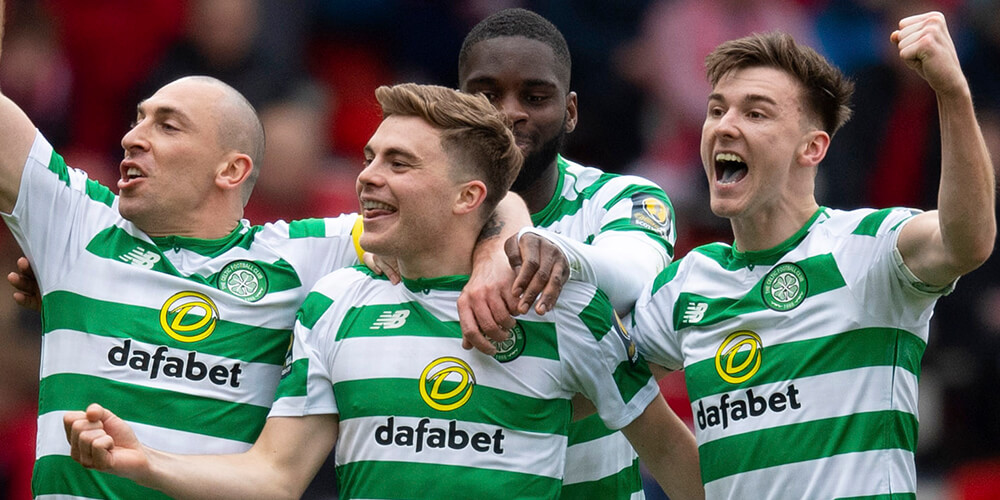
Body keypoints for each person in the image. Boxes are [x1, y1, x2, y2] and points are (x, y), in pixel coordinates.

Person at [63, 82, 704, 500]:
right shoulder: (337, 303)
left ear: (468, 197)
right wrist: (143, 463)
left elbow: (678, 464)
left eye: (398, 163)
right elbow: (275, 477)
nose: (367, 177)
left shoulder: (560, 311)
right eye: (369, 157)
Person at [0, 5, 524, 497]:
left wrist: (493, 257)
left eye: (167, 125)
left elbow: (474, 203)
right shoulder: (75, 224)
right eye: (138, 119)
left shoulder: (302, 258)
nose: (133, 137)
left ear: (231, 170)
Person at [629, 12, 995, 498]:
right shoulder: (682, 285)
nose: (724, 127)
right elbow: (605, 397)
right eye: (717, 110)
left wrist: (952, 94)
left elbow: (967, 240)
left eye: (755, 113)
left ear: (813, 147)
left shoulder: (869, 248)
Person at [456, 8, 678, 499]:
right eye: (486, 94)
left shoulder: (625, 199)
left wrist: (559, 252)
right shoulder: (426, 213)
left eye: (535, 97)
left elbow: (636, 272)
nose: (509, 111)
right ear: (456, 106)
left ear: (571, 112)